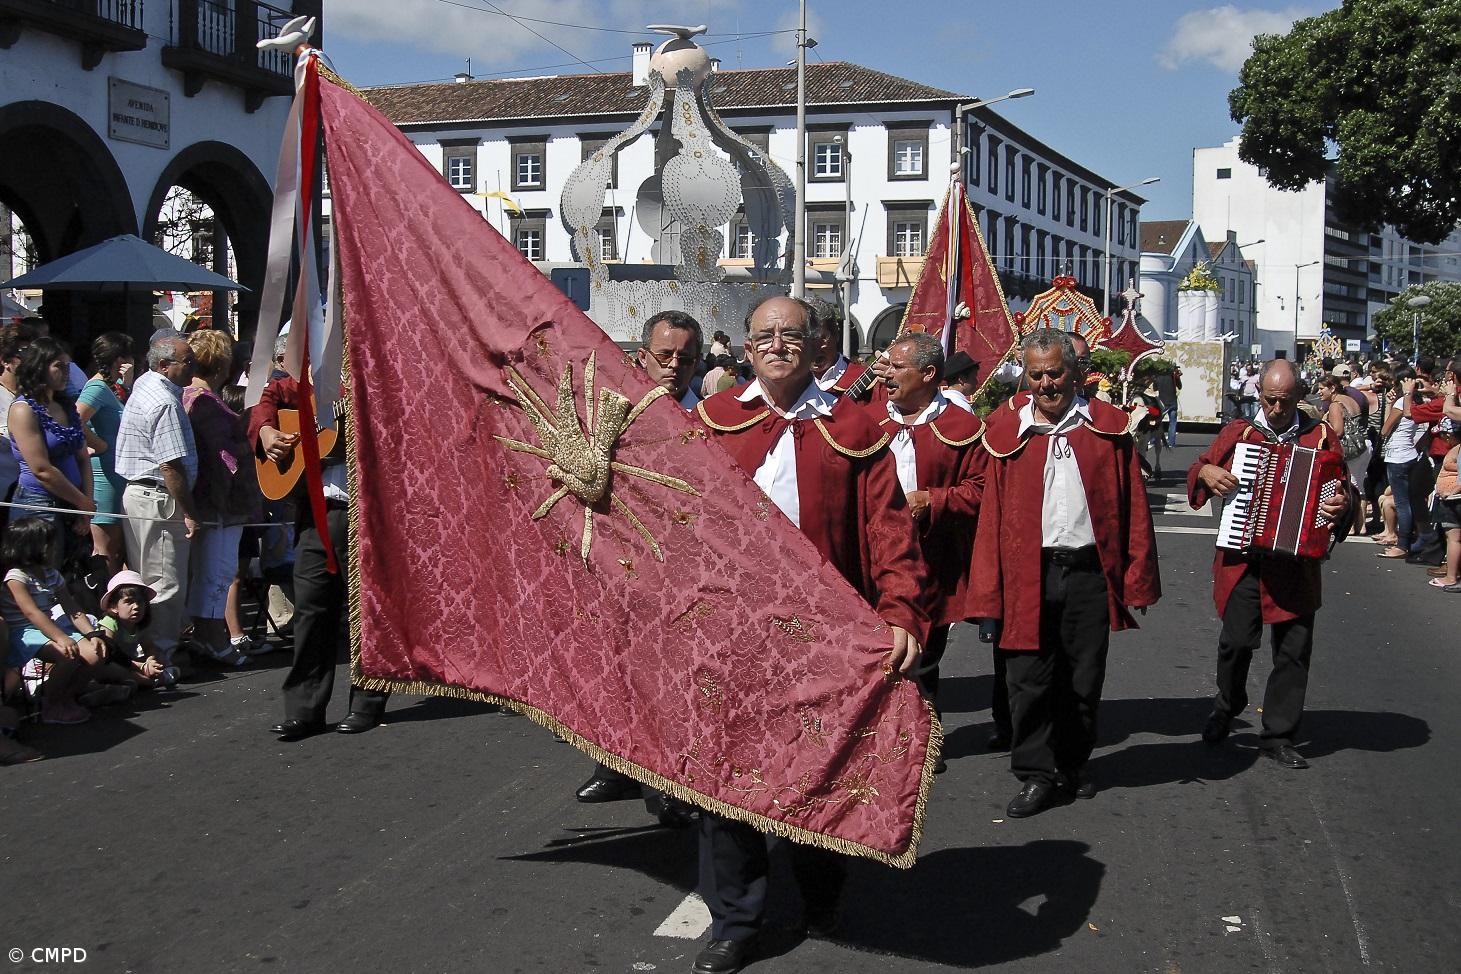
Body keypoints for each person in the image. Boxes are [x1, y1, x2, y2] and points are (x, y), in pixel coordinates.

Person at [689, 295, 929, 974]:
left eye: (790, 334)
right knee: (722, 775)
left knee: (819, 768)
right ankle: (735, 919)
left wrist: (900, 611)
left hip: (825, 636)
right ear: (745, 345)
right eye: (764, 335)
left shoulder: (853, 427)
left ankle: (822, 888)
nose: (777, 345)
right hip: (730, 631)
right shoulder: (709, 423)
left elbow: (889, 529)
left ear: (815, 343)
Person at [968, 329, 1161, 818]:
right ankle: (1035, 773)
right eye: (1037, 375)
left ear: (1074, 373)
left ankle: (1073, 765)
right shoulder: (1004, 433)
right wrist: (986, 597)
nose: (1048, 383)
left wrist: (1137, 575)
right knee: (1027, 681)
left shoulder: (1108, 429)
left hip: (1087, 573)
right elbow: (990, 520)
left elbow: (1132, 507)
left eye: (1056, 372)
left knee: (1082, 678)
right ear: (1025, 376)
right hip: (1026, 574)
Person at [1188, 360, 1353, 769]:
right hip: (1245, 559)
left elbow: (1345, 491)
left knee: (1293, 651)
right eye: (1269, 399)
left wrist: (1342, 504)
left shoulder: (1319, 438)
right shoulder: (1238, 433)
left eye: (1285, 400)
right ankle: (1227, 706)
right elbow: (1199, 469)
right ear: (1258, 393)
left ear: (1301, 396)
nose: (1276, 408)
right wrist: (1207, 471)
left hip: (1297, 565)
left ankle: (1279, 735)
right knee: (1236, 642)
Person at [575, 312, 704, 827]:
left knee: (677, 680)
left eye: (686, 358)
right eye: (664, 355)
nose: (674, 366)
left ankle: (675, 782)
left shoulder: (713, 417)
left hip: (689, 570)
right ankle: (617, 763)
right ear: (641, 355)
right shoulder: (612, 412)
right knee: (620, 671)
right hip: (623, 563)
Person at [249, 368, 389, 740]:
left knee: (365, 611)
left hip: (369, 510)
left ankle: (366, 701)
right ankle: (304, 710)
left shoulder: (379, 373)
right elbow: (267, 398)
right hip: (317, 511)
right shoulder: (319, 382)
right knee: (311, 607)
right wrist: (266, 431)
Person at [872, 332, 984, 727]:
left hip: (932, 564)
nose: (887, 374)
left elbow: (982, 490)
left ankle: (922, 743)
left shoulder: (962, 427)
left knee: (923, 659)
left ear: (929, 373)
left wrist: (932, 501)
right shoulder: (868, 423)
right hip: (875, 566)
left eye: (898, 367)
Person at [114, 337, 199, 667]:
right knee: (164, 582)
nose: (193, 365)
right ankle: (160, 659)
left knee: (150, 577)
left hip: (142, 495)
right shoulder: (163, 400)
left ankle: (154, 651)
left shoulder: (146, 384)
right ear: (164, 366)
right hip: (158, 497)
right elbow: (170, 465)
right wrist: (190, 512)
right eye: (186, 361)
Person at [183, 330, 262, 666]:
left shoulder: (188, 396)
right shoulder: (207, 404)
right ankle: (214, 638)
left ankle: (206, 635)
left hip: (205, 500)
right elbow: (222, 458)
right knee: (218, 571)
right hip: (219, 504)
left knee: (208, 572)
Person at [0, 517, 110, 724]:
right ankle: (50, 704)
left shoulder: (52, 574)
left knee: (96, 654)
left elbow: (72, 608)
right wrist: (61, 637)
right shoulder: (16, 577)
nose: (54, 548)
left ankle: (65, 698)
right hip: (24, 632)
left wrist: (92, 634)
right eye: (49, 544)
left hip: (49, 628)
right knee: (66, 655)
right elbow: (31, 613)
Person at [6, 337, 94, 550]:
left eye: (68, 366)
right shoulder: (23, 409)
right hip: (37, 505)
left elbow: (83, 458)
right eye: (58, 366)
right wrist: (82, 504)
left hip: (74, 503)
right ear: (40, 367)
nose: (66, 372)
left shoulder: (65, 406)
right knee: (42, 575)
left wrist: (85, 504)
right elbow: (41, 469)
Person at [76, 332, 136, 575]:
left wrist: (127, 384)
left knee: (118, 548)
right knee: (106, 550)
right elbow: (75, 418)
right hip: (104, 476)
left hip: (118, 473)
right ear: (118, 359)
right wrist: (98, 444)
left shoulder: (114, 388)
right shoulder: (97, 387)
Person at [95, 569, 178, 689]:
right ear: (114, 607)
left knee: (157, 662)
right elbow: (110, 653)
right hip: (111, 662)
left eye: (140, 602)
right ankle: (150, 682)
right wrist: (140, 666)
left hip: (130, 663)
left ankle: (128, 683)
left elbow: (149, 646)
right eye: (128, 602)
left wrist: (150, 661)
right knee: (113, 668)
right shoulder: (110, 622)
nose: (136, 607)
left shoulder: (139, 624)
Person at [1376, 367, 1428, 559]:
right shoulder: (1418, 401)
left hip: (1397, 455)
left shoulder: (1401, 402)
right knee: (1410, 500)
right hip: (1411, 453)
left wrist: (1389, 405)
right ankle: (1417, 537)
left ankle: (1403, 544)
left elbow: (1385, 429)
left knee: (1402, 502)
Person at [1318, 375, 1371, 512]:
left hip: (1350, 450)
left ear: (1333, 388)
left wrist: (1325, 424)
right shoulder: (1350, 400)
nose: (1319, 392)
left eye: (1321, 388)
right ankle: (1362, 524)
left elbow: (1338, 431)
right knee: (1359, 486)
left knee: (1350, 486)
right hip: (1362, 446)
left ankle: (1353, 524)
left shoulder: (1335, 405)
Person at [634, 310, 703, 409]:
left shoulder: (708, 422)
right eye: (665, 356)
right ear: (643, 358)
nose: (675, 364)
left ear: (696, 363)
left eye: (684, 358)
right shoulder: (624, 417)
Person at [1150, 363, 1182, 447]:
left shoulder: (1158, 377)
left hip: (1162, 402)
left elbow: (1155, 388)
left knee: (1157, 421)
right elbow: (1180, 386)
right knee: (1173, 423)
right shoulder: (1173, 376)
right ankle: (1171, 442)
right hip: (1173, 402)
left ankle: (1153, 439)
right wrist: (1178, 377)